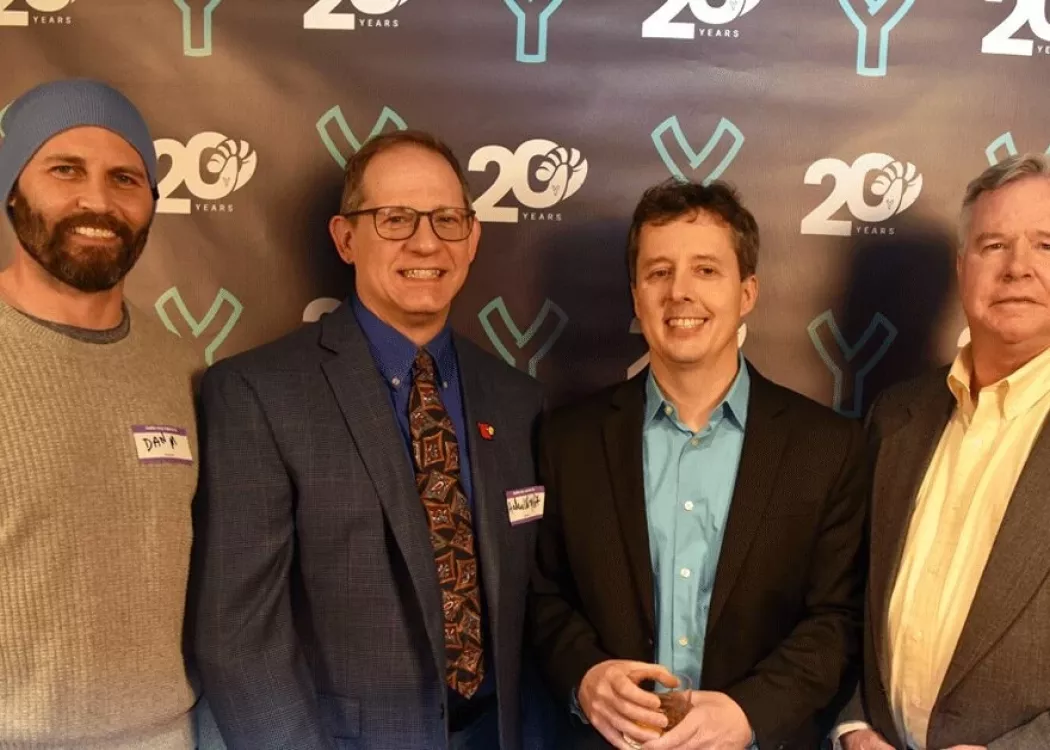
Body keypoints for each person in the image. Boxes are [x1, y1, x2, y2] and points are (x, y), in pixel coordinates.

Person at [189, 130, 548, 749]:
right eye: (395, 218)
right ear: (345, 237)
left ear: (473, 237)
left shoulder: (516, 400)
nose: (426, 241)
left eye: (447, 220)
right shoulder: (257, 393)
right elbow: (237, 638)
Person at [529, 179, 867, 749]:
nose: (679, 292)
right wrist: (585, 677)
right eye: (659, 272)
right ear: (636, 295)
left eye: (706, 270)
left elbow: (838, 618)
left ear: (748, 291)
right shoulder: (568, 439)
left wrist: (749, 713)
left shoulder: (828, 447)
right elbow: (542, 595)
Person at [0, 79, 201, 748]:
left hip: (167, 737)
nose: (97, 200)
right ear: (12, 190)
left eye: (125, 178)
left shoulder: (184, 368)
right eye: (65, 170)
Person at [836, 154, 1050, 750]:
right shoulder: (895, 416)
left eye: (1045, 245)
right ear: (962, 269)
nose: (1017, 269)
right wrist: (852, 723)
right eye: (993, 245)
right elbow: (846, 604)